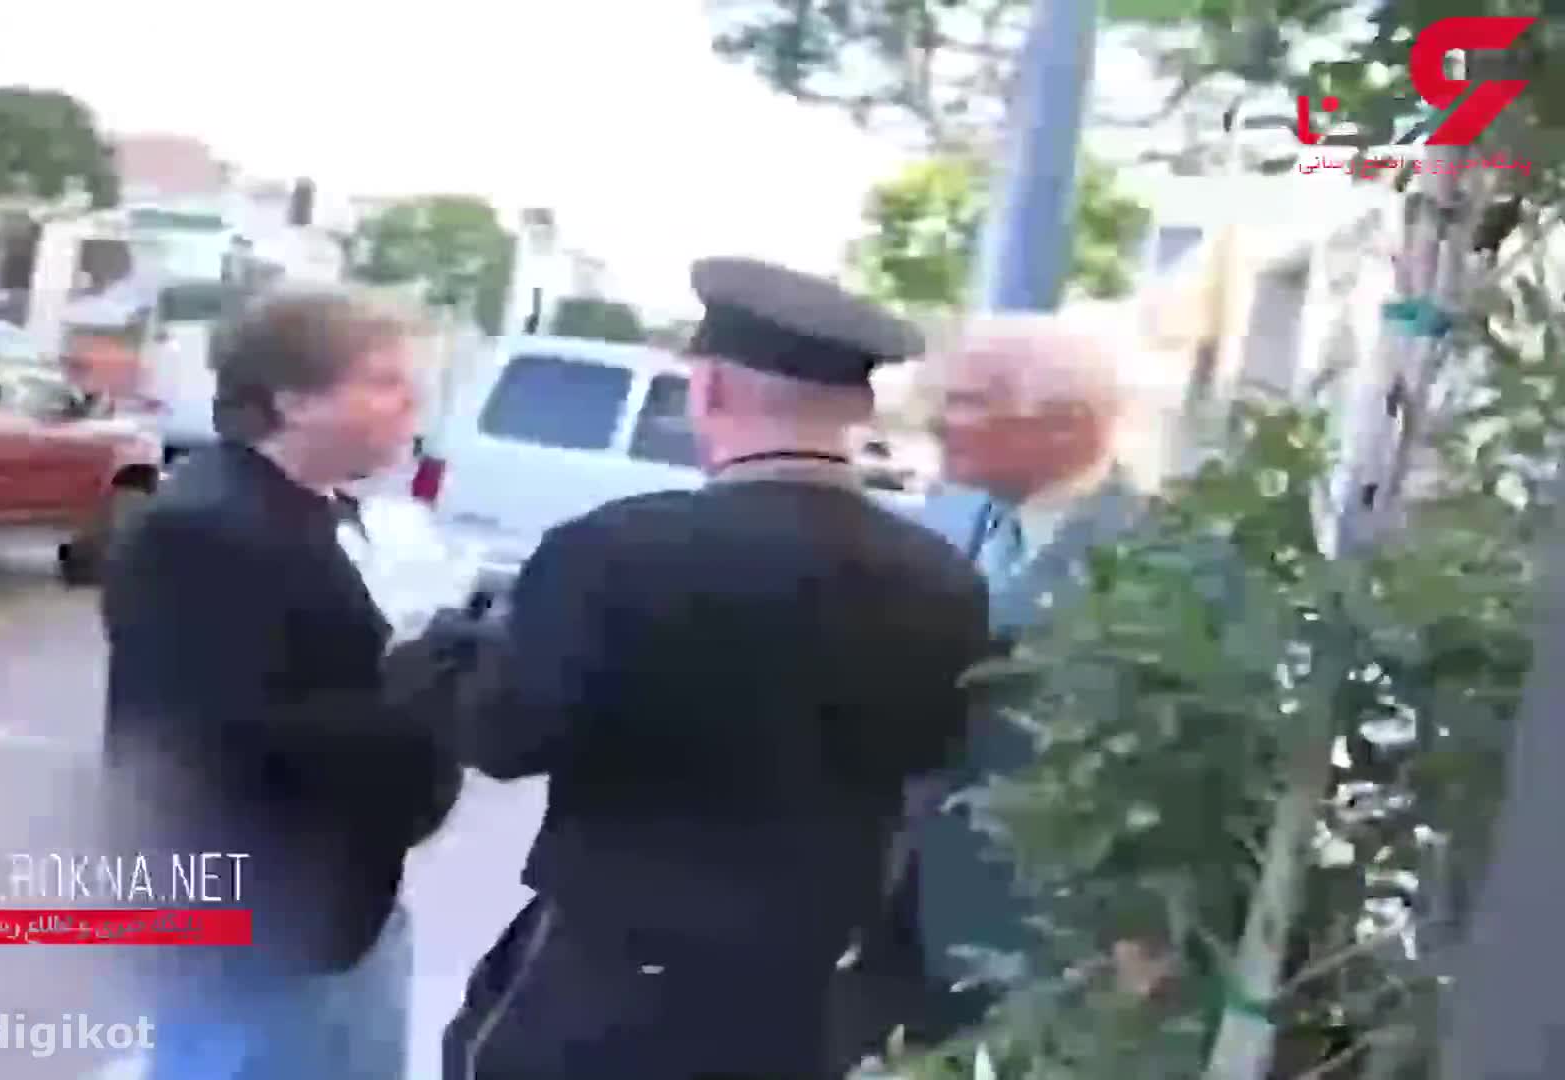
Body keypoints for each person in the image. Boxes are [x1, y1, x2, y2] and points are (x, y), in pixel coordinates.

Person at [436, 256, 993, 1080]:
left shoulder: (613, 550)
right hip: (805, 984)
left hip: (616, 970)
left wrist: (450, 662)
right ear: (860, 407)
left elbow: (506, 740)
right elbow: (933, 754)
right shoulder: (944, 578)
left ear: (710, 390)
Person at [100, 289, 462, 1079]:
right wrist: (433, 700)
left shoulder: (322, 510)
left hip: (339, 908)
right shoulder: (204, 526)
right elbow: (216, 737)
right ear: (292, 399)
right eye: (384, 381)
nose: (413, 403)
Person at [876, 311, 1155, 1052]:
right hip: (906, 916)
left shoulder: (1165, 558)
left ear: (1065, 423)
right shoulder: (954, 518)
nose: (941, 420)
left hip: (1044, 944)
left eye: (970, 401)